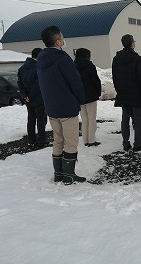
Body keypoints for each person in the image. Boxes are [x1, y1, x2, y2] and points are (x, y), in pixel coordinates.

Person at [37, 26, 86, 185]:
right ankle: (69, 175)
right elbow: (75, 81)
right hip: (67, 108)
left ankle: (58, 173)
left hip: (51, 108)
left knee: (58, 140)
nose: (64, 40)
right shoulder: (62, 59)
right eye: (62, 37)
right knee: (71, 142)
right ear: (58, 41)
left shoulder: (41, 59)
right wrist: (81, 99)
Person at [112, 34, 141, 152]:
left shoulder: (116, 58)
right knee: (138, 120)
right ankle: (137, 144)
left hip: (123, 93)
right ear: (132, 43)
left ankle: (125, 143)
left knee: (125, 118)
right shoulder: (137, 58)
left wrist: (119, 90)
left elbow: (115, 77)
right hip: (136, 94)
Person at [17, 47, 48, 147]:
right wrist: (31, 96)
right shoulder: (39, 68)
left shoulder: (22, 68)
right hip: (38, 98)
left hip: (27, 99)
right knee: (41, 120)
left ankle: (31, 139)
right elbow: (38, 85)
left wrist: (25, 96)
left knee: (31, 120)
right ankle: (42, 140)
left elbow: (19, 83)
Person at [74, 48, 102, 147]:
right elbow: (96, 80)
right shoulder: (89, 66)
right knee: (91, 119)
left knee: (84, 120)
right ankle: (91, 140)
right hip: (90, 96)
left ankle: (85, 140)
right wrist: (97, 92)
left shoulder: (73, 66)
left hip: (79, 97)